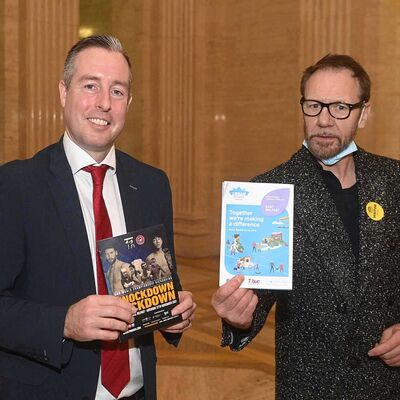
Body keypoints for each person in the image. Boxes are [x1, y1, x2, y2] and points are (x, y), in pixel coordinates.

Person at [0, 35, 196, 400]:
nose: (104, 103)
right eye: (91, 86)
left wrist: (176, 314)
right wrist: (64, 323)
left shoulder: (152, 184)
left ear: (129, 103)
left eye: (117, 91)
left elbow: (159, 282)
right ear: (64, 92)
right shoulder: (15, 185)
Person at [212, 54, 400, 399]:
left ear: (364, 113)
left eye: (340, 107)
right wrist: (237, 317)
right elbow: (254, 298)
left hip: (387, 384)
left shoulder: (393, 179)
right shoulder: (269, 194)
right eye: (314, 105)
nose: (324, 120)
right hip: (313, 387)